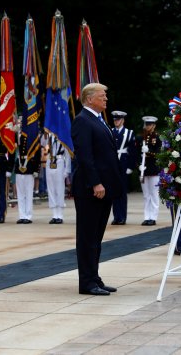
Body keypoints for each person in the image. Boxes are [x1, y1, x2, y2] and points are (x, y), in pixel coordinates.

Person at [71, 82, 123, 296]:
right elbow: (85, 156)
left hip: (104, 188)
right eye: (102, 96)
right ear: (90, 98)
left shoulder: (98, 120)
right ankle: (86, 282)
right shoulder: (82, 120)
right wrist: (95, 183)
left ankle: (94, 277)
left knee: (96, 237)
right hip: (91, 189)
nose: (106, 99)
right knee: (87, 236)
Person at [110, 111, 135, 225]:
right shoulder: (110, 132)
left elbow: (132, 152)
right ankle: (116, 216)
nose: (116, 122)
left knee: (122, 191)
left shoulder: (129, 133)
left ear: (123, 120)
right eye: (115, 120)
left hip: (123, 163)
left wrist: (130, 166)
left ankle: (122, 217)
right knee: (114, 191)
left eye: (118, 119)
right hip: (113, 164)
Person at [138, 116, 161, 225]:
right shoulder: (141, 138)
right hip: (144, 170)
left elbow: (159, 154)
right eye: (146, 124)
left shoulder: (157, 137)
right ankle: (147, 216)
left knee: (154, 194)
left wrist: (149, 151)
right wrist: (138, 165)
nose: (147, 126)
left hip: (153, 169)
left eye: (150, 124)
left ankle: (153, 217)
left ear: (154, 126)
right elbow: (137, 154)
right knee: (146, 195)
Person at [15, 129, 40, 224]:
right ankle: (22, 215)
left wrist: (36, 169)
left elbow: (37, 153)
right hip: (19, 166)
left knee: (28, 193)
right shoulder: (18, 136)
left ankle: (28, 216)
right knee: (20, 194)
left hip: (29, 167)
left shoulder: (32, 138)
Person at [45, 133, 71, 224]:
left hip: (59, 161)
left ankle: (60, 215)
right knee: (51, 189)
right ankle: (54, 214)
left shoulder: (62, 137)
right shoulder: (48, 137)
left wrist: (67, 170)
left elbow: (67, 154)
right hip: (50, 161)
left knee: (59, 189)